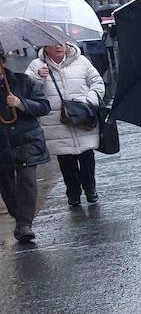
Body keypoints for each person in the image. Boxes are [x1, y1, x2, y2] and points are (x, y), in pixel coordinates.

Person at [28, 43, 106, 207]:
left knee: (87, 156)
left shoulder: (82, 61)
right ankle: (73, 193)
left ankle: (90, 188)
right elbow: (28, 91)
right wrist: (38, 77)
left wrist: (90, 100)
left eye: (61, 43)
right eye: (53, 44)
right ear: (44, 47)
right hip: (56, 121)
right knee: (66, 160)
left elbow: (97, 82)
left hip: (82, 117)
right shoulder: (36, 66)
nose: (58, 46)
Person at [0, 62, 51, 243]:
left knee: (27, 178)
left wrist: (20, 103)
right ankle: (19, 216)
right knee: (6, 183)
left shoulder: (22, 81)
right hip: (2, 144)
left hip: (27, 140)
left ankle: (24, 224)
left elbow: (44, 106)